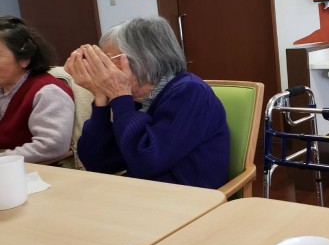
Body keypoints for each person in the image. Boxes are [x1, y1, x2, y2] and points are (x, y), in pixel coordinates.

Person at [64, 16, 230, 189]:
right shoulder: (138, 98)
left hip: (189, 196)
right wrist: (100, 97)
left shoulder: (190, 91)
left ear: (146, 59)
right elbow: (97, 163)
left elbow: (145, 163)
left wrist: (120, 97)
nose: (106, 70)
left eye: (111, 61)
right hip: (147, 191)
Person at [0, 16, 74, 163]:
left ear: (24, 58)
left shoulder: (48, 92)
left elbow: (52, 146)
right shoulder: (3, 87)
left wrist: (4, 160)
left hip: (33, 171)